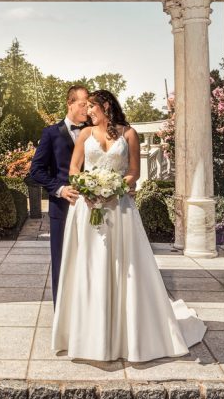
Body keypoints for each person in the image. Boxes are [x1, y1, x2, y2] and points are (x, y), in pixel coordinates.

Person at [50, 89, 206, 362]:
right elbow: (75, 169)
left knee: (126, 267)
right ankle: (90, 335)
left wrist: (117, 187)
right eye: (85, 108)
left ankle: (128, 334)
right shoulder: (85, 135)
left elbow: (134, 171)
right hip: (88, 210)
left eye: (92, 107)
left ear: (106, 106)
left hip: (119, 208)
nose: (88, 112)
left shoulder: (129, 134)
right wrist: (87, 188)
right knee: (91, 266)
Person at [27, 85, 89, 304]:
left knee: (90, 262)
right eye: (83, 104)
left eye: (89, 105)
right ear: (69, 103)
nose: (87, 109)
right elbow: (35, 172)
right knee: (62, 262)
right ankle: (61, 314)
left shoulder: (94, 131)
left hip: (93, 208)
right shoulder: (51, 133)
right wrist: (60, 189)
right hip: (62, 209)